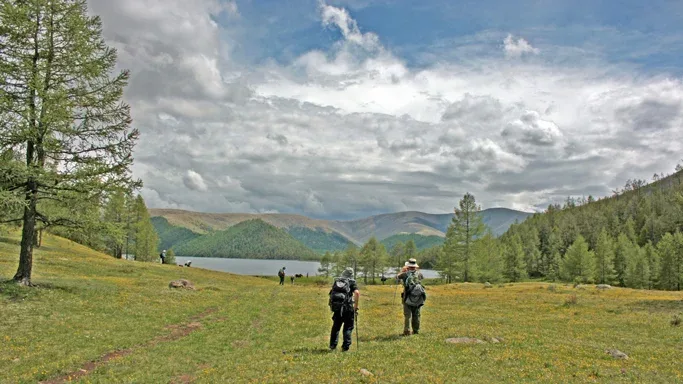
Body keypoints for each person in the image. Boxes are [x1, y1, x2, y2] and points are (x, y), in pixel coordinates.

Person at [328, 267, 359, 351]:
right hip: (348, 308)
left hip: (337, 308)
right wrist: (355, 307)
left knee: (336, 327)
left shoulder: (337, 281)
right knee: (348, 327)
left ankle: (332, 345)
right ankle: (345, 346)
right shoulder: (352, 282)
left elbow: (331, 293)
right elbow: (357, 293)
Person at [396, 258, 426, 336]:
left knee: (407, 315)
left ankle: (407, 331)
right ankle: (416, 331)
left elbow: (397, 277)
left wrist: (403, 270)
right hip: (418, 298)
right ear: (415, 266)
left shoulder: (405, 274)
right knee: (416, 314)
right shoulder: (419, 274)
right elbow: (421, 279)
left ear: (408, 266)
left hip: (407, 297)